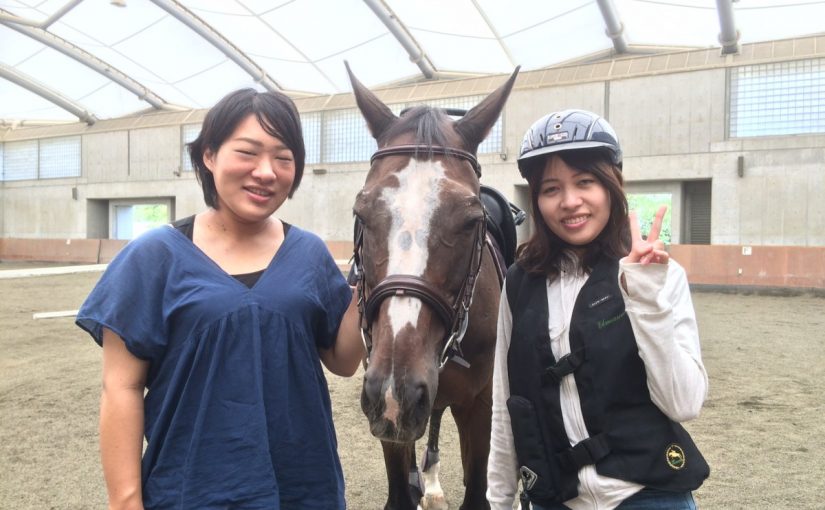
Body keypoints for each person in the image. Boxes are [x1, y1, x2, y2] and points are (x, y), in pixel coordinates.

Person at [76, 88, 364, 510]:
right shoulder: (154, 256)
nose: (266, 172)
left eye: (284, 158)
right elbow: (122, 385)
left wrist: (374, 281)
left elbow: (342, 360)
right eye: (248, 152)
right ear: (209, 156)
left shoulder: (309, 254)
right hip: (191, 489)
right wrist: (125, 500)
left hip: (303, 488)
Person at [486, 110, 709, 510]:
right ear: (536, 199)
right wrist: (499, 501)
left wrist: (646, 296)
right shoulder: (518, 284)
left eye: (585, 182)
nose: (570, 202)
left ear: (611, 185)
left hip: (648, 495)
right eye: (551, 188)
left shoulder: (661, 275)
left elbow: (683, 403)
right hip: (554, 496)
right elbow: (508, 405)